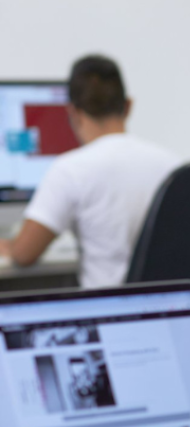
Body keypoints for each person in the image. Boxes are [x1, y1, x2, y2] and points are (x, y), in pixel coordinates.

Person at [0, 55, 180, 288]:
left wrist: (9, 245)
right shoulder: (172, 165)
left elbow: (24, 255)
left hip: (107, 311)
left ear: (72, 112)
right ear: (128, 105)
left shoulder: (70, 170)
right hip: (167, 310)